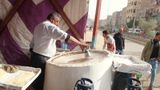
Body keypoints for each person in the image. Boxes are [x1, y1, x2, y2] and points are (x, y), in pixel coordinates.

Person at [30, 12, 89, 90]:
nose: (57, 24)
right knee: (41, 83)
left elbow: (32, 44)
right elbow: (66, 36)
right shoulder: (49, 26)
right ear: (52, 19)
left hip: (34, 56)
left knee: (36, 81)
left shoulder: (38, 26)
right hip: (42, 59)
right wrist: (80, 44)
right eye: (57, 21)